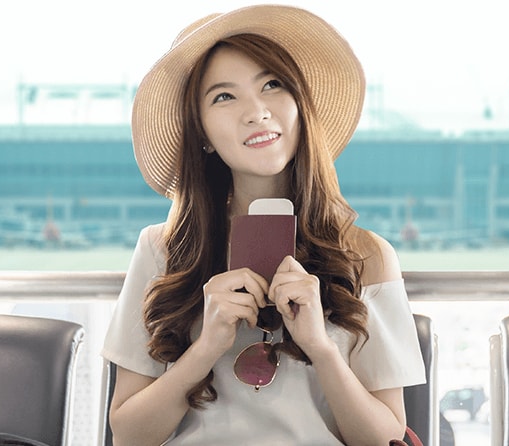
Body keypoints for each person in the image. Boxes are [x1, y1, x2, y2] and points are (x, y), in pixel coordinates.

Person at [102, 5, 426, 445]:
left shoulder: (365, 255)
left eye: (272, 85)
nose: (256, 112)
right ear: (201, 132)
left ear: (299, 105)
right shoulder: (163, 249)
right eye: (224, 96)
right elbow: (127, 436)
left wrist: (321, 348)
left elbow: (386, 439)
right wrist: (206, 349)